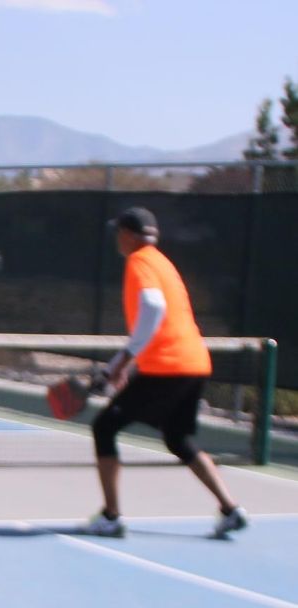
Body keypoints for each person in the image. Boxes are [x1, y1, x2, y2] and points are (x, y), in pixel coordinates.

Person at [85, 207, 247, 538]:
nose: (117, 239)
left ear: (128, 235)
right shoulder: (163, 263)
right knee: (177, 438)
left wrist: (121, 363)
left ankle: (111, 517)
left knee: (104, 427)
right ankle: (231, 509)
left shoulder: (140, 261)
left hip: (168, 366)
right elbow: (161, 319)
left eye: (119, 232)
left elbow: (154, 307)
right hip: (195, 363)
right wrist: (129, 363)